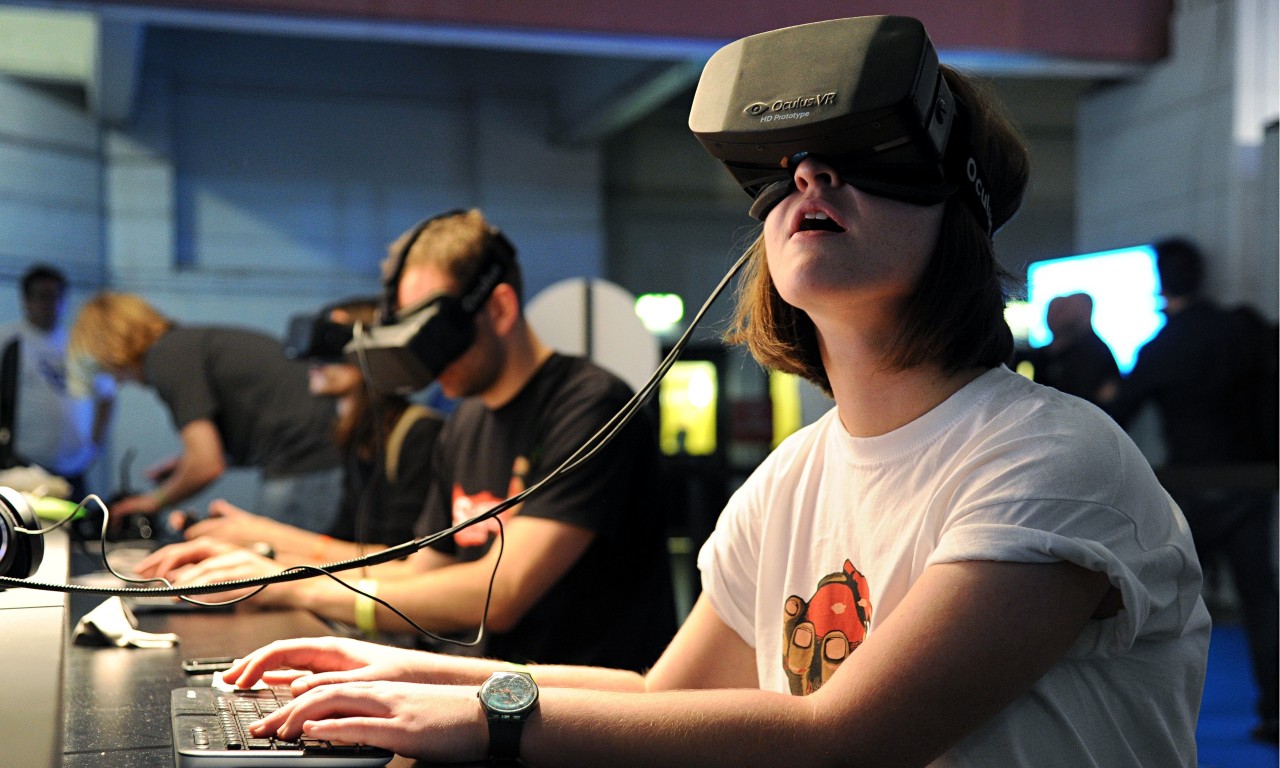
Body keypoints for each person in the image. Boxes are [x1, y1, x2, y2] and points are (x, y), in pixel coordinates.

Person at [215, 18, 1209, 768]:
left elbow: (847, 737)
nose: (808, 177)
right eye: (789, 168)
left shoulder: (1050, 458)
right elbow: (662, 696)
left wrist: (489, 719)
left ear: (963, 210)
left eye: (864, 156)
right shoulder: (789, 479)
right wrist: (409, 672)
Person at [141, 209, 677, 671]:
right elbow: (417, 570)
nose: (425, 360)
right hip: (491, 695)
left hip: (581, 712)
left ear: (499, 309)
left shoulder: (590, 405)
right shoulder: (466, 422)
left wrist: (295, 585)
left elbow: (502, 592)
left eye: (434, 334)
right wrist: (267, 551)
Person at [1101, 236, 1278, 742]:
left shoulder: (1161, 347)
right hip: (1251, 482)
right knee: (1261, 599)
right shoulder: (1244, 329)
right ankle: (1276, 711)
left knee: (1169, 604)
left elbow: (1116, 417)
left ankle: (1157, 724)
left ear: (1161, 282)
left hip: (1191, 487)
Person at [135, 297, 444, 567]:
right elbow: (344, 540)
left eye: (331, 344)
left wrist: (265, 536)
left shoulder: (418, 434)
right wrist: (245, 544)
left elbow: (398, 560)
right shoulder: (355, 438)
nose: (312, 359)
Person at [67, 293, 344, 533]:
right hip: (322, 449)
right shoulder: (184, 345)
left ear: (111, 347)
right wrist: (184, 464)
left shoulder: (166, 358)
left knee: (283, 569)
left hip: (307, 460)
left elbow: (206, 465)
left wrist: (153, 501)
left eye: (105, 367)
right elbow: (225, 440)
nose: (116, 380)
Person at [0, 264, 114, 498]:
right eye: (42, 296)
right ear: (26, 300)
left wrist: (94, 445)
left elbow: (106, 395)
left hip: (74, 468)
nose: (50, 304)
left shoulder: (80, 344)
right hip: (22, 468)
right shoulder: (8, 340)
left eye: (56, 296)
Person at [1021, 291, 1120, 404]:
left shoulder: (1097, 355)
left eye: (1063, 309)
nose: (1055, 315)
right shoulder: (1039, 355)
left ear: (1086, 313)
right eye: (1052, 310)